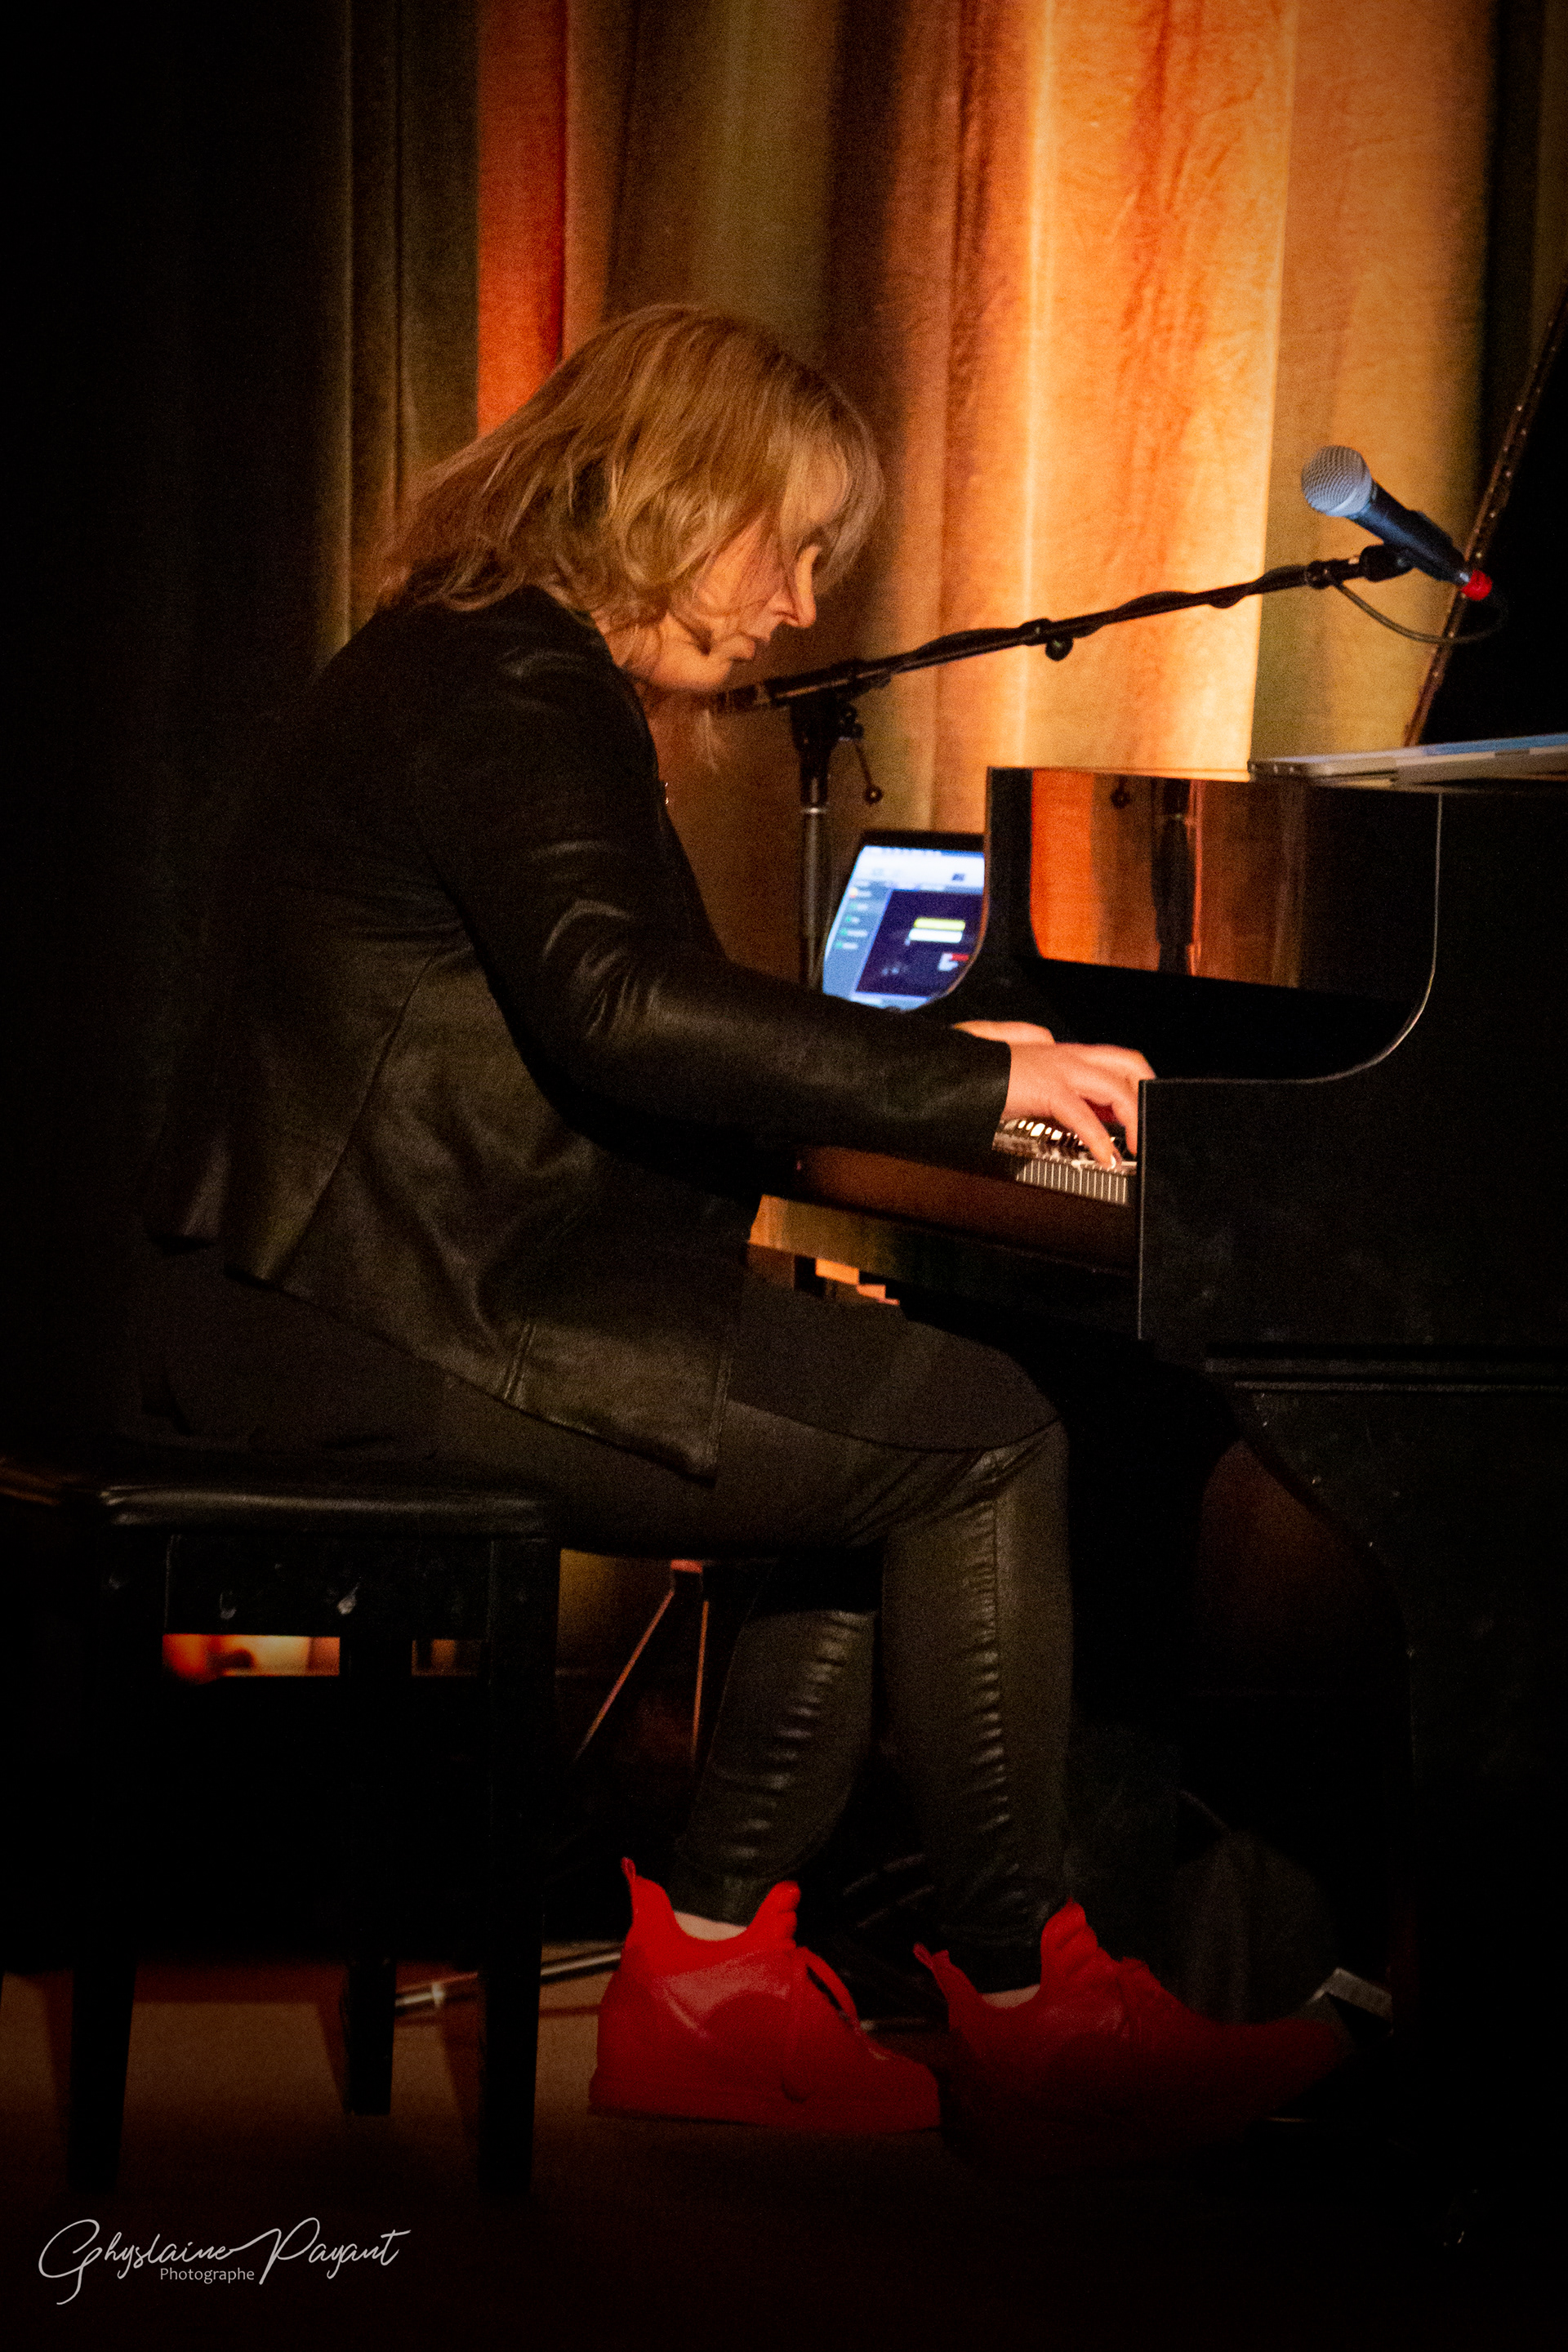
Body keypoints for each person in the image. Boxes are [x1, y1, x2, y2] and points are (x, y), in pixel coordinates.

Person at [131, 304, 1339, 2155]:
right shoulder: (513, 679)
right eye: (789, 546)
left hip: (351, 1295)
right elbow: (620, 1004)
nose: (797, 604)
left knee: (877, 1424)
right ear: (674, 494)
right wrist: (980, 1094)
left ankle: (705, 1978)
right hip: (394, 1318)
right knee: (989, 1439)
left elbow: (614, 1011)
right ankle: (1033, 2005)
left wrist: (951, 1061)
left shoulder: (462, 653)